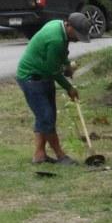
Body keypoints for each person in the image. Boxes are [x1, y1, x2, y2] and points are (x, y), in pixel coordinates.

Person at [15, 13, 92, 165]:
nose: (77, 39)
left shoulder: (58, 26)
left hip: (43, 76)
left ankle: (39, 155)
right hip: (31, 78)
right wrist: (69, 87)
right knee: (47, 116)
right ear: (69, 25)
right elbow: (53, 70)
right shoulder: (55, 39)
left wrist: (67, 64)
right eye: (77, 34)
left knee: (45, 117)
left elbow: (61, 52)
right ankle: (60, 155)